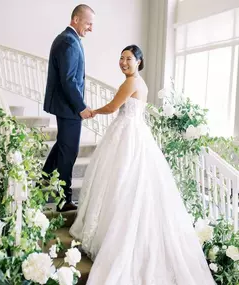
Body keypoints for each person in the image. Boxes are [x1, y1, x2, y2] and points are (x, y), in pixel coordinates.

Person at [70, 45, 215, 284]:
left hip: (126, 134)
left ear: (139, 61)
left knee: (119, 181)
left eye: (128, 58)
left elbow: (113, 107)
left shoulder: (131, 83)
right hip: (135, 132)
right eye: (121, 58)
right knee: (126, 182)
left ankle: (113, 238)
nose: (123, 62)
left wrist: (92, 112)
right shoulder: (142, 84)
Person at [43, 4, 95, 212]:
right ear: (76, 19)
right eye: (88, 23)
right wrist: (81, 106)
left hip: (66, 106)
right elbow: (69, 80)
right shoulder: (69, 42)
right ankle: (64, 200)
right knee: (69, 152)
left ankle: (42, 180)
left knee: (62, 147)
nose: (91, 28)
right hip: (69, 108)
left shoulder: (68, 39)